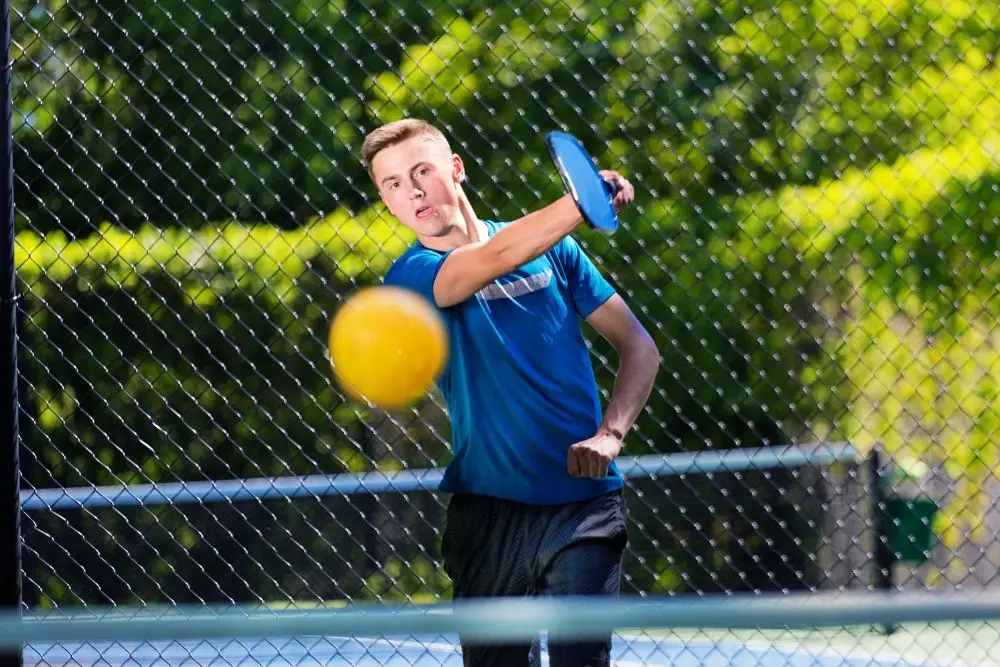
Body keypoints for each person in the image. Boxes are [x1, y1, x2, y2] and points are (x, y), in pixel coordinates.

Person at [360, 118, 659, 667]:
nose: (414, 191)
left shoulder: (557, 252)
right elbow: (495, 258)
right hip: (487, 512)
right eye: (394, 184)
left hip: (585, 504)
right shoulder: (412, 276)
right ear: (386, 201)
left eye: (423, 171)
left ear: (456, 169)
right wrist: (584, 200)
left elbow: (640, 347)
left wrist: (611, 435)